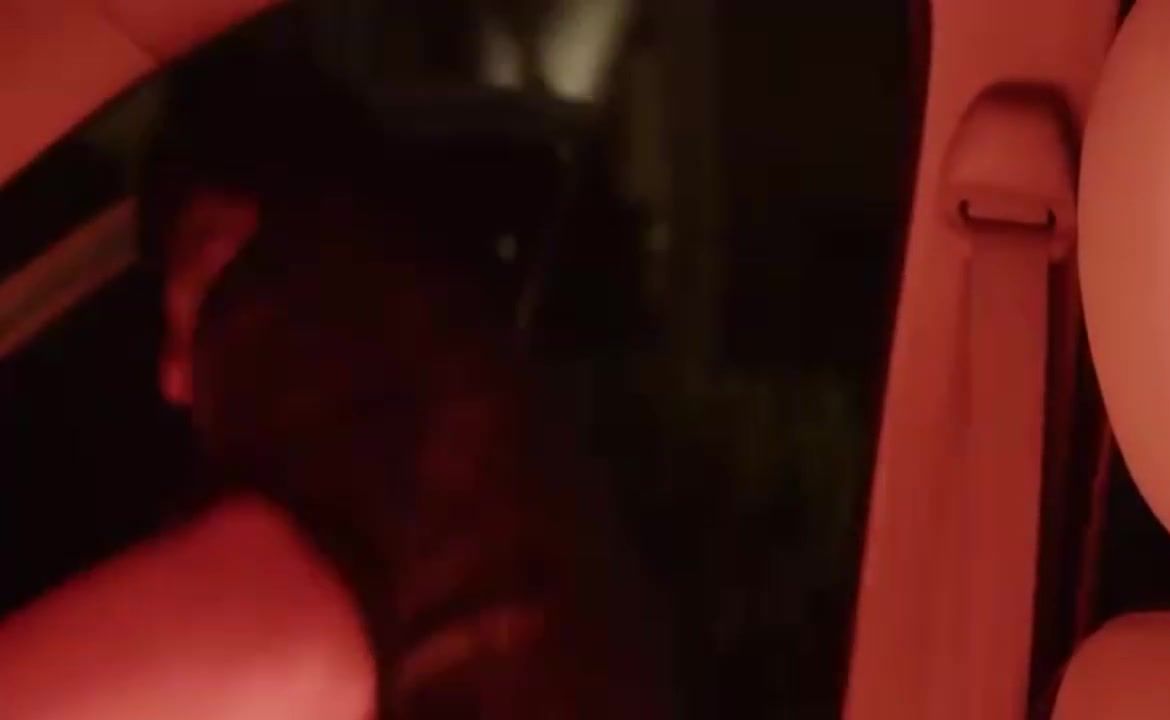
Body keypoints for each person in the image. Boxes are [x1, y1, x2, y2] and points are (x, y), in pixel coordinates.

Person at [1, 42, 670, 720]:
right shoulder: (496, 457)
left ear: (245, 242)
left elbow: (289, 625)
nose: (171, 379)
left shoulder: (358, 432)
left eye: (192, 293)